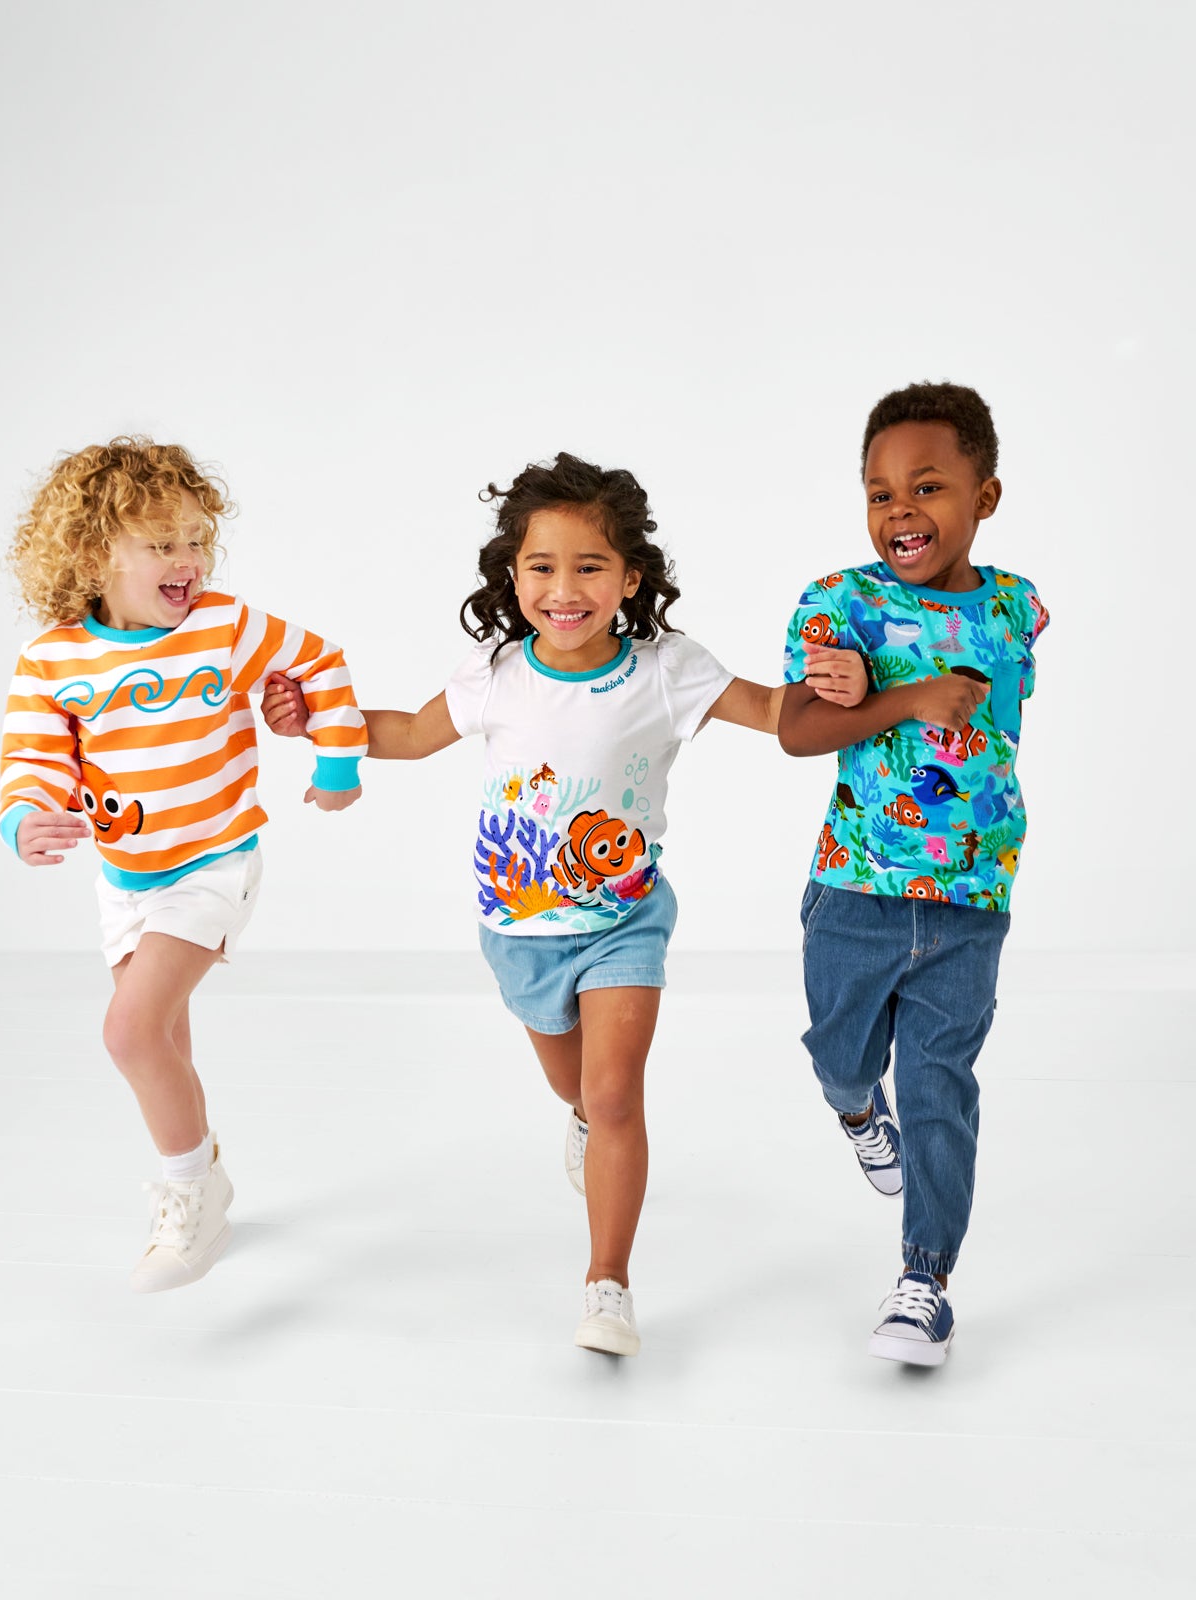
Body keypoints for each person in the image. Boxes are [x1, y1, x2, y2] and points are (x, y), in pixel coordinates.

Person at [263, 451, 872, 1356]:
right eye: (542, 567)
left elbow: (774, 711)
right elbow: (411, 734)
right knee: (578, 1088)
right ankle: (582, 1117)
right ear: (512, 577)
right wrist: (314, 721)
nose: (564, 590)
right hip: (519, 933)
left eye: (590, 567)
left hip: (625, 921)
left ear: (630, 577)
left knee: (617, 1090)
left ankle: (607, 1283)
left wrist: (847, 684)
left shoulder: (667, 669)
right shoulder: (498, 672)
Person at [0, 438, 366, 1292]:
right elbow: (33, 759)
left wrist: (336, 759)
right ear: (93, 554)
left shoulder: (222, 626)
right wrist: (22, 819)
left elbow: (317, 659)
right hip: (126, 879)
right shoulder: (52, 660)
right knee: (162, 1040)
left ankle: (190, 1193)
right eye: (162, 543)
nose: (189, 560)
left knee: (127, 1033)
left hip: (214, 862)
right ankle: (207, 1181)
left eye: (197, 539)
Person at [777, 382, 1050, 1366]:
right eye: (879, 492)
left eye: (927, 487)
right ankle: (857, 1109)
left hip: (972, 897)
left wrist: (929, 691)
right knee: (840, 1056)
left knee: (940, 1085)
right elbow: (794, 728)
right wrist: (898, 696)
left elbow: (1000, 699)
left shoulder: (1017, 605)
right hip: (856, 889)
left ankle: (922, 1281)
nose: (900, 510)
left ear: (985, 496)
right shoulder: (841, 604)